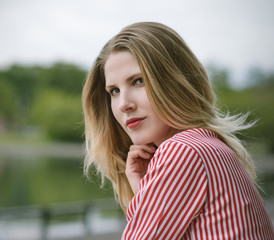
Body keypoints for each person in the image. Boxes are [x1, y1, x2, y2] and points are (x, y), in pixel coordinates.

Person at [82, 22, 274, 239]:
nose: (123, 104)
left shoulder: (184, 151)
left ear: (174, 82)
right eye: (114, 91)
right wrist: (145, 191)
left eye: (138, 81)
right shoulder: (209, 147)